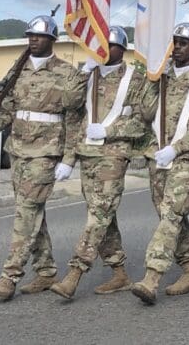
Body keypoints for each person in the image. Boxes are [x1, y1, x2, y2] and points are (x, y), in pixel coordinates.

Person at [0, 15, 87, 300]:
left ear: (52, 40)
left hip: (45, 153)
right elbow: (7, 108)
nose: (33, 40)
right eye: (30, 35)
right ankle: (46, 271)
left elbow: (74, 119)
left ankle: (10, 275)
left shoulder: (67, 74)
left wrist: (68, 159)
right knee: (33, 213)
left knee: (26, 212)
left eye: (39, 36)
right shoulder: (19, 69)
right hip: (19, 149)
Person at [50, 26, 155, 299]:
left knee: (99, 213)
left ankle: (75, 272)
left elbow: (142, 123)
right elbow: (70, 108)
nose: (105, 50)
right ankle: (119, 271)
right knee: (104, 215)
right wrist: (69, 158)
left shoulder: (134, 79)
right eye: (100, 45)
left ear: (123, 48)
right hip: (87, 154)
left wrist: (110, 131)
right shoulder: (88, 75)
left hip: (114, 155)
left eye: (111, 45)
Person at [131, 23, 189, 305]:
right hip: (156, 155)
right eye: (174, 42)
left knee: (172, 213)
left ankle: (152, 276)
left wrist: (176, 148)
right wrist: (152, 77)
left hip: (186, 156)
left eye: (184, 43)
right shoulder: (162, 77)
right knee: (168, 215)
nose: (177, 47)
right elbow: (145, 113)